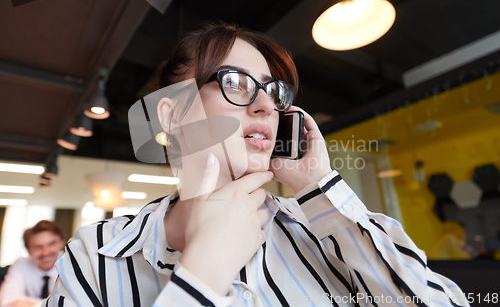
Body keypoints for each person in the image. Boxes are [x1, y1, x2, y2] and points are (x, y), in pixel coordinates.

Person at [48, 23, 470, 306]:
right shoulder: (94, 256)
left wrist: (319, 186)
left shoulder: (319, 231)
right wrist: (203, 272)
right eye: (234, 82)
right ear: (173, 115)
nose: (266, 104)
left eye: (273, 90)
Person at [1, 220, 65, 307]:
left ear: (62, 242)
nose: (45, 252)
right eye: (37, 247)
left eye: (51, 244)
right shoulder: (21, 264)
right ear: (28, 250)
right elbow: (7, 300)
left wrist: (27, 302)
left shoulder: (73, 264)